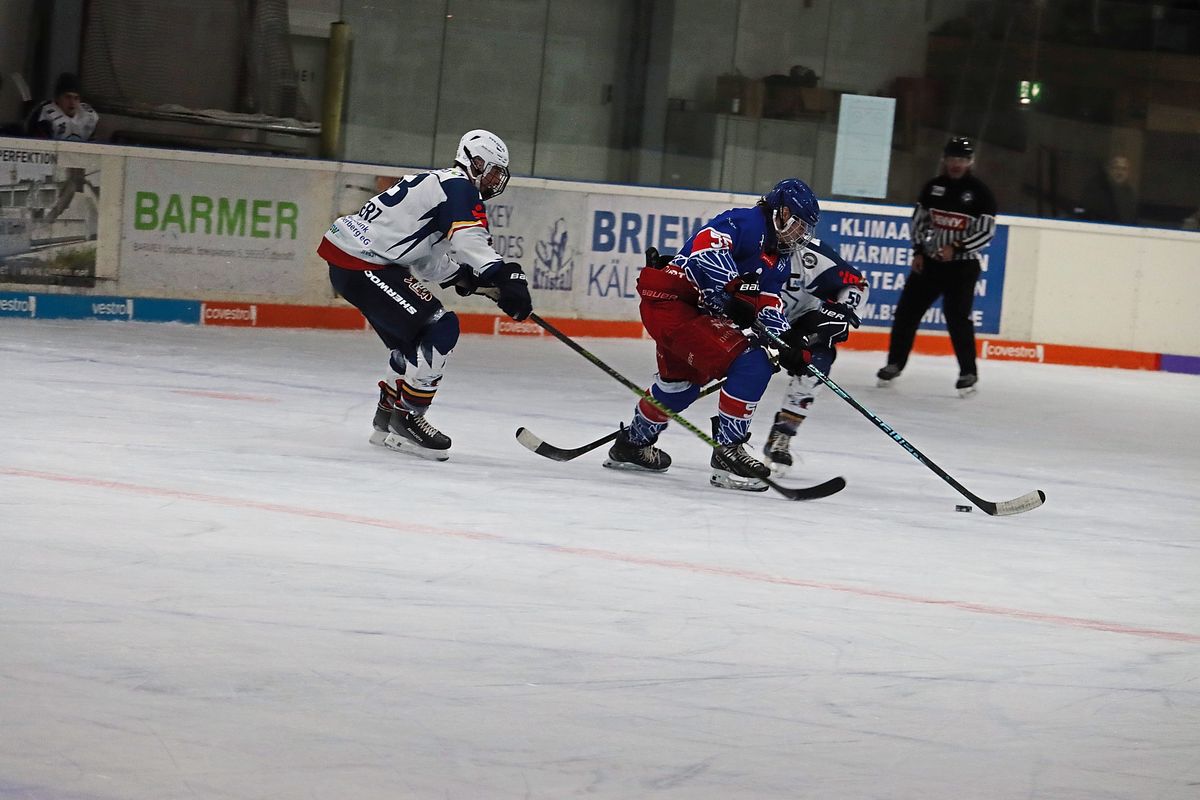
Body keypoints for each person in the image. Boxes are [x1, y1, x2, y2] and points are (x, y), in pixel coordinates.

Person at [317, 129, 532, 461]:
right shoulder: (459, 187)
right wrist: (504, 275)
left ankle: (387, 417)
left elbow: (427, 262)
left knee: (412, 341)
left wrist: (473, 281)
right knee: (440, 328)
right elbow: (470, 241)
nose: (494, 181)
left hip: (356, 263)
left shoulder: (439, 184)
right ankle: (408, 417)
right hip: (364, 264)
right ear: (475, 162)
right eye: (491, 172)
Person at [603, 178, 824, 492]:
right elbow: (705, 251)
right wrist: (735, 290)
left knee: (679, 388)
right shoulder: (747, 222)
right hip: (675, 304)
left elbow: (768, 301)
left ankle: (632, 444)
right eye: (799, 224)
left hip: (687, 312)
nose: (802, 234)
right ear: (782, 212)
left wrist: (787, 340)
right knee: (753, 362)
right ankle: (728, 453)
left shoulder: (780, 259)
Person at [877, 136, 996, 397]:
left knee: (958, 318)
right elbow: (918, 222)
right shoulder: (932, 188)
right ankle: (894, 363)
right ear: (944, 159)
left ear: (970, 162)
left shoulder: (980, 193)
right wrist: (919, 251)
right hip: (930, 265)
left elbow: (986, 232)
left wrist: (957, 247)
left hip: (962, 268)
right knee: (906, 313)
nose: (956, 164)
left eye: (962, 159)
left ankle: (968, 372)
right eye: (953, 158)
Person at [761, 237, 868, 473]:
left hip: (796, 323)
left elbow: (857, 283)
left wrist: (841, 311)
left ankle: (783, 433)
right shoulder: (743, 239)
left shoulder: (809, 252)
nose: (798, 230)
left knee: (817, 362)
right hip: (748, 321)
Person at [25, 72, 99, 142]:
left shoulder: (89, 116)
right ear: (57, 98)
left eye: (76, 98)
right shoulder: (44, 114)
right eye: (68, 97)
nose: (72, 102)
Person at [1075, 155, 1137, 225]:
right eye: (1116, 168)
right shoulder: (1095, 189)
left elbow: (1132, 219)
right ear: (1109, 170)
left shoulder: (1129, 194)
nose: (1120, 172)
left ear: (1128, 173)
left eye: (1124, 169)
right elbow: (1081, 211)